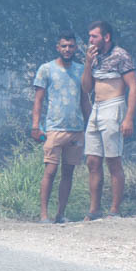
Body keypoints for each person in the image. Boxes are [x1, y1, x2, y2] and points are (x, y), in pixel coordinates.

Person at [80, 20, 136, 220]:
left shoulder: (120, 55)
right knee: (92, 160)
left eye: (94, 36)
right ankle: (94, 210)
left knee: (113, 160)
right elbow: (86, 87)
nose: (90, 40)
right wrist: (87, 63)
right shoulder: (93, 56)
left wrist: (128, 118)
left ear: (106, 37)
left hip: (114, 106)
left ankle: (114, 210)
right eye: (89, 36)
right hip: (96, 108)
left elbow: (133, 87)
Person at [31, 31, 88, 223]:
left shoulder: (81, 70)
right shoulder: (46, 69)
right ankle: (44, 215)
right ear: (58, 48)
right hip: (54, 128)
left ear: (76, 48)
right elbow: (38, 100)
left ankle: (60, 214)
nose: (67, 49)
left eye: (71, 46)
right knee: (50, 171)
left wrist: (89, 125)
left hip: (76, 129)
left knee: (68, 173)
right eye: (64, 46)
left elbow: (84, 100)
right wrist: (35, 126)